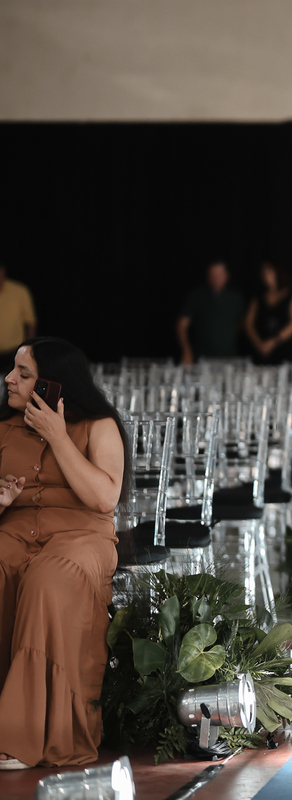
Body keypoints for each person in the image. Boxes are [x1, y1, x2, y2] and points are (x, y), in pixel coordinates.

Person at [0, 337, 131, 768]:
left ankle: (25, 734)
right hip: (14, 531)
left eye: (23, 374)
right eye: (13, 370)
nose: (9, 379)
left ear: (53, 385)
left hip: (81, 537)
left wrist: (58, 437)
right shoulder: (4, 427)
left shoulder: (99, 425)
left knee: (48, 580)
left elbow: (104, 499)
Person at [177, 261, 246, 365]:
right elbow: (182, 325)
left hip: (230, 359)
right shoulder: (197, 296)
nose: (216, 278)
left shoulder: (236, 297)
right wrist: (186, 350)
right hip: (202, 359)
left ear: (227, 275)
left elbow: (244, 324)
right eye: (212, 274)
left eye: (219, 274)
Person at [245, 261, 292, 364]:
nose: (265, 275)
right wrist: (259, 344)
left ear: (278, 272)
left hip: (285, 351)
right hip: (261, 352)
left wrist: (273, 342)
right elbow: (248, 324)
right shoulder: (257, 297)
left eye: (268, 271)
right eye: (263, 272)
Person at [0, 263, 36, 376]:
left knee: (13, 382)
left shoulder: (19, 291)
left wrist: (29, 350)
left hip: (13, 353)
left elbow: (30, 322)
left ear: (3, 271)